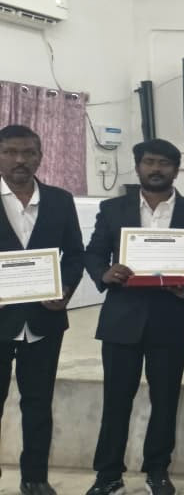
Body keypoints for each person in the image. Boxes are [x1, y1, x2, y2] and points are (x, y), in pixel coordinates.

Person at [82, 140, 184, 495]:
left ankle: (158, 471)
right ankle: (108, 474)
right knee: (115, 401)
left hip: (170, 320)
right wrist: (104, 272)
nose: (156, 169)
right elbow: (93, 253)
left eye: (164, 163)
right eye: (149, 162)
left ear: (176, 169)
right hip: (121, 320)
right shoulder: (113, 209)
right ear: (138, 166)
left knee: (166, 400)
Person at [0, 124, 84, 495]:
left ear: (40, 156)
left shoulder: (60, 200)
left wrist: (65, 290)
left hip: (43, 320)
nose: (20, 160)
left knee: (38, 404)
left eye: (28, 153)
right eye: (10, 152)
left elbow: (75, 254)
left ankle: (34, 478)